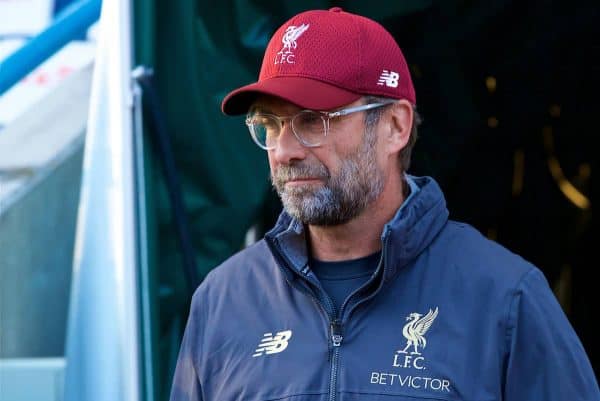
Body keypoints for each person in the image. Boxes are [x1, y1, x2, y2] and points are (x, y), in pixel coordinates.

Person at [169, 7, 599, 401]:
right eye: (270, 124)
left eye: (312, 121)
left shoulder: (506, 298)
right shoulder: (223, 300)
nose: (285, 150)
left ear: (394, 126)